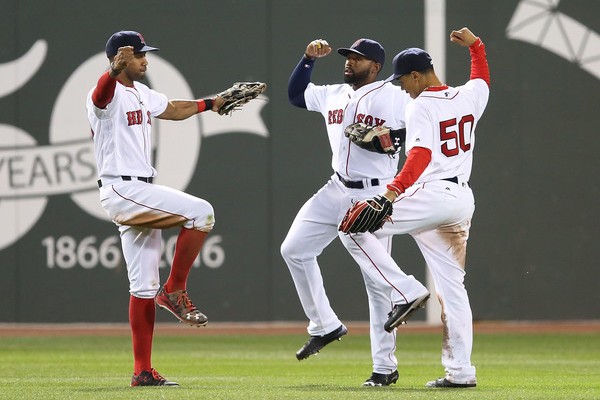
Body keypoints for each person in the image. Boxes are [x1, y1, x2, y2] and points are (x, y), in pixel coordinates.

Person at [338, 27, 490, 388]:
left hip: (430, 193)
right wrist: (476, 46)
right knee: (453, 289)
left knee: (352, 226)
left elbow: (420, 154)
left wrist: (390, 194)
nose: (401, 86)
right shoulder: (469, 97)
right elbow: (481, 76)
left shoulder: (419, 104)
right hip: (461, 200)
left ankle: (404, 290)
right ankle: (461, 373)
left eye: (403, 80)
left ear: (417, 75)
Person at [281, 38, 427, 386]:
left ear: (375, 67)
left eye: (358, 59)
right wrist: (307, 60)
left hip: (376, 190)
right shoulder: (333, 93)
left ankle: (384, 368)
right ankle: (325, 325)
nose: (349, 62)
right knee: (295, 250)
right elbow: (296, 95)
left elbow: (418, 128)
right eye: (348, 57)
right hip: (337, 187)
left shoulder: (392, 94)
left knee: (376, 288)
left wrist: (389, 138)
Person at [86, 30, 228, 387]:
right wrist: (111, 72)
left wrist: (211, 103)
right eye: (139, 55)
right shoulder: (105, 93)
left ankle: (142, 371)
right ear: (120, 59)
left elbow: (174, 109)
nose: (145, 60)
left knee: (142, 288)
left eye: (145, 55)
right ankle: (175, 290)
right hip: (122, 187)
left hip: (139, 188)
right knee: (202, 213)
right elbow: (102, 96)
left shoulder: (142, 93)